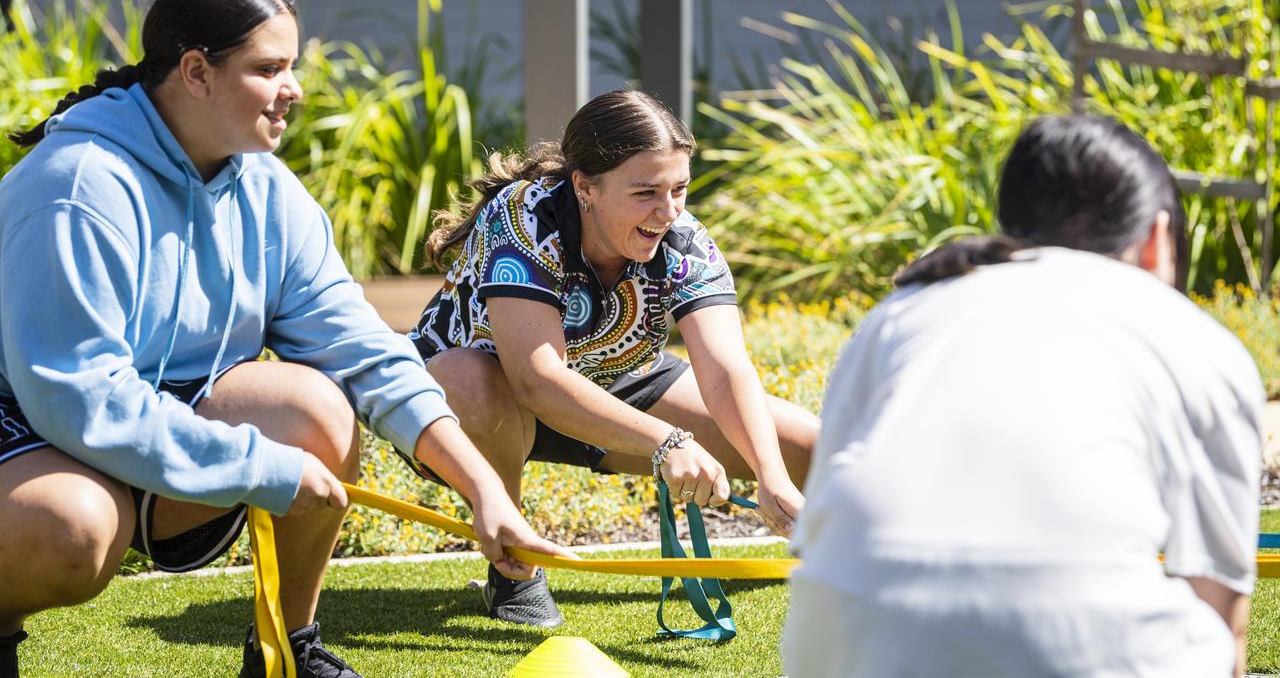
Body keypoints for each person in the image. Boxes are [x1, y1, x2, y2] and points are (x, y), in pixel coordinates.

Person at [0, 0, 568, 678]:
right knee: (71, 526)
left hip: (151, 418)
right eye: (270, 68)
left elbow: (362, 349)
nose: (293, 88)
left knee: (317, 410)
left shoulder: (265, 186)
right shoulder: (79, 184)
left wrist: (484, 488)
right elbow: (74, 396)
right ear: (197, 72)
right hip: (30, 423)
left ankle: (285, 654)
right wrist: (258, 466)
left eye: (290, 66)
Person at [784, 115, 1264, 677]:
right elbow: (1220, 613)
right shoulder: (1196, 342)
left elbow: (824, 515)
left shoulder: (898, 313)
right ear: (1157, 239)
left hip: (840, 639)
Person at [406, 89, 819, 627]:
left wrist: (772, 476)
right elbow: (537, 379)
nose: (667, 212)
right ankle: (514, 574)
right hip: (476, 404)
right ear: (584, 187)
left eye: (679, 189)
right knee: (473, 382)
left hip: (610, 382)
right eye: (646, 192)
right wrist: (666, 442)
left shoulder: (682, 237)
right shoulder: (524, 218)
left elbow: (725, 368)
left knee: (808, 450)